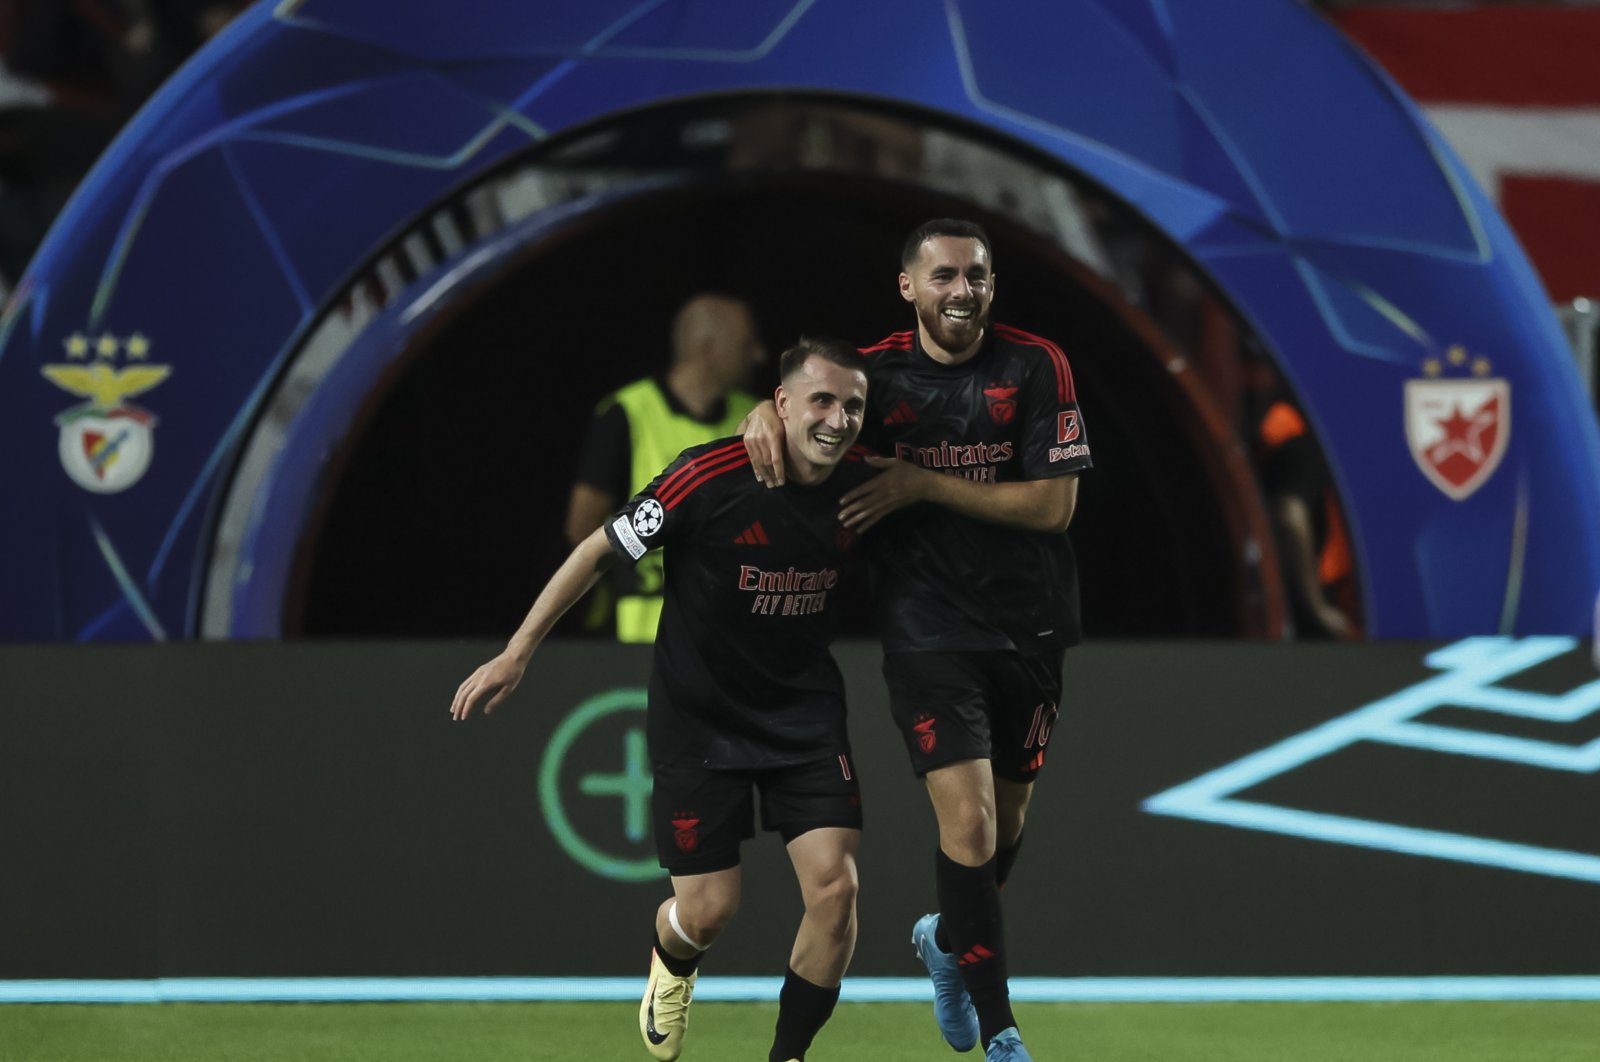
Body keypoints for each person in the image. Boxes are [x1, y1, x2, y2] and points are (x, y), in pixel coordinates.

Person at [453, 337, 875, 1062]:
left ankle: (790, 1056)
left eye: (854, 406)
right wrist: (518, 650)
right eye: (823, 401)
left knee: (835, 891)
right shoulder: (705, 478)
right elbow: (596, 550)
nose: (839, 419)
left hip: (804, 719)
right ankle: (673, 962)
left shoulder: (868, 482)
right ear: (780, 404)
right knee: (709, 911)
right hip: (699, 721)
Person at [742, 219, 1092, 1062]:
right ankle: (1002, 1029)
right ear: (909, 287)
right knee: (966, 828)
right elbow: (810, 413)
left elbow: (1054, 507)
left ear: (992, 285)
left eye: (975, 275)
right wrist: (765, 408)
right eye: (942, 276)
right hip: (927, 632)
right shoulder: (876, 377)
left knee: (1001, 833)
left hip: (1032, 627)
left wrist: (918, 483)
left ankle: (946, 939)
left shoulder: (1036, 365)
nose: (961, 291)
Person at [565, 292, 768, 642]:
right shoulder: (626, 413)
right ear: (707, 347)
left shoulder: (755, 417)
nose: (759, 355)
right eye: (746, 344)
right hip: (639, 630)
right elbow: (581, 525)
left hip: (731, 626)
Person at [1255, 398, 1360, 640]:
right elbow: (1289, 513)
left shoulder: (1337, 451)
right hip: (1311, 611)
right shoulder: (1309, 448)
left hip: (1340, 602)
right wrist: (1316, 605)